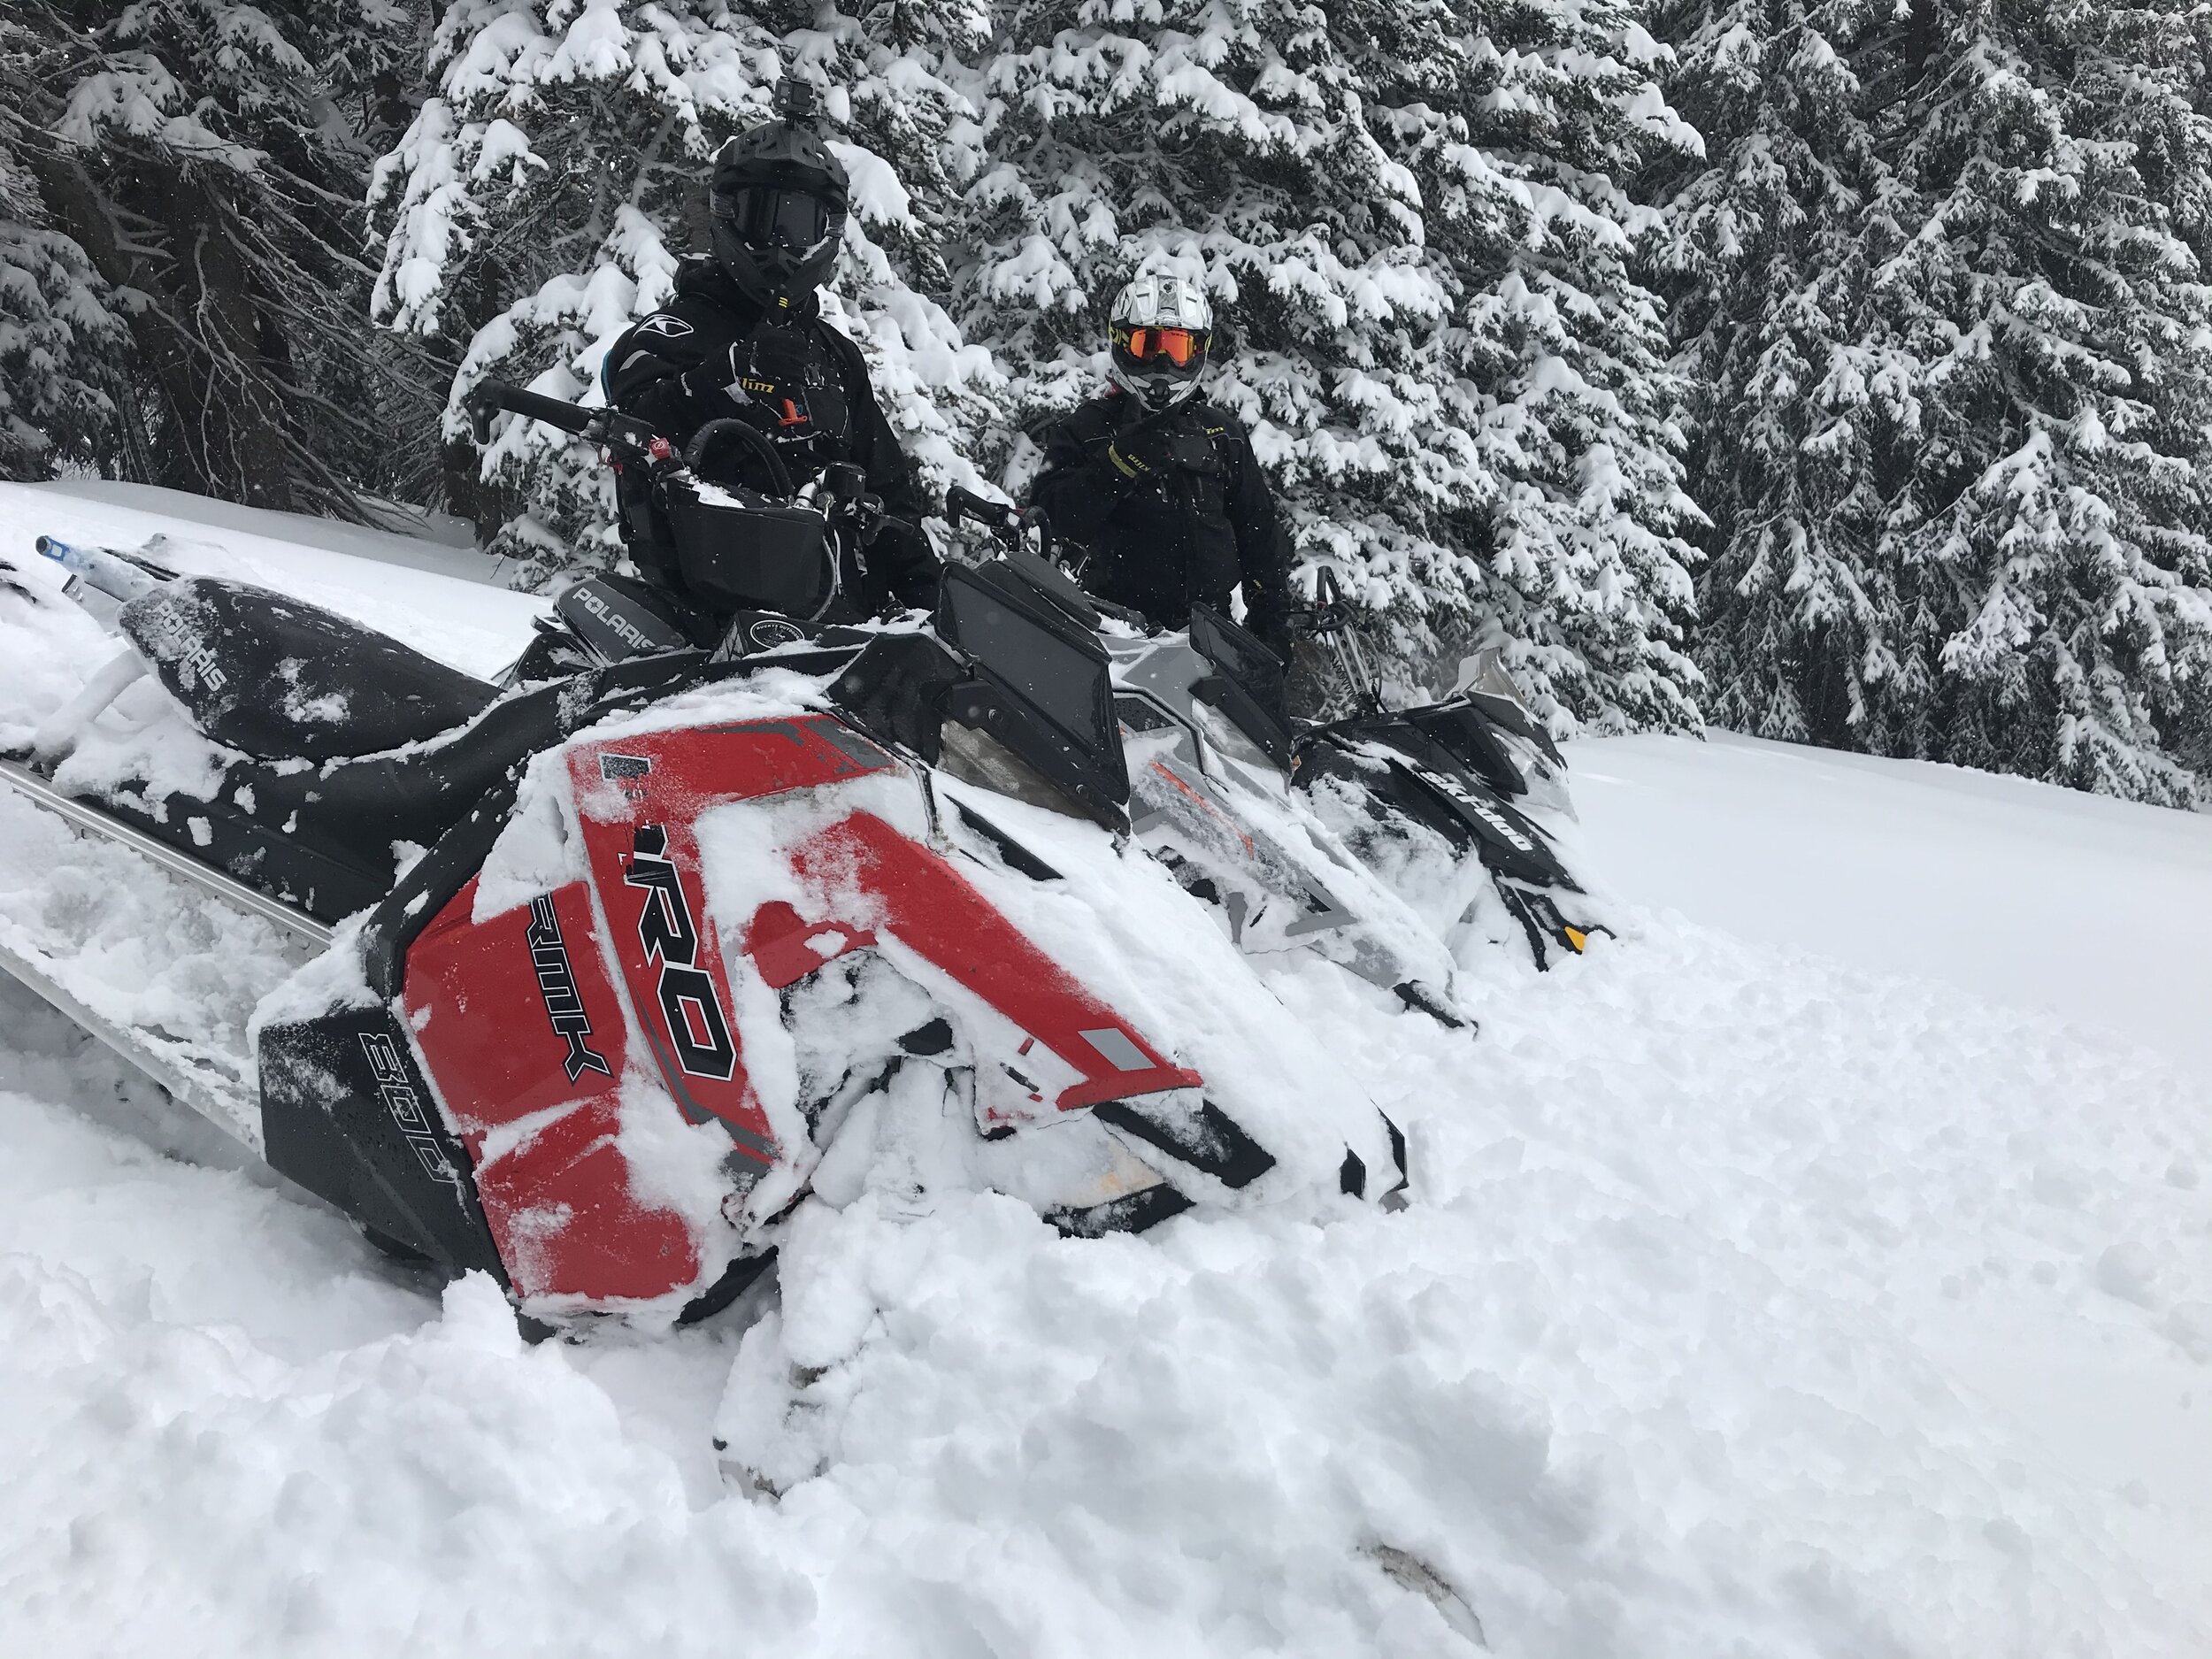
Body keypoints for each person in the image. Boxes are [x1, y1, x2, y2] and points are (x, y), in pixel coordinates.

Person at [596, 82, 937, 632]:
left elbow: (892, 494)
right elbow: (634, 419)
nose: (779, 246)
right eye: (763, 218)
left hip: (836, 636)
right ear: (729, 215)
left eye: (796, 224)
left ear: (826, 234)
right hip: (703, 622)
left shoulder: (835, 358)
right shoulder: (674, 331)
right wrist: (727, 375)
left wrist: (930, 597)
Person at [1027, 273, 1294, 655]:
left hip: (1208, 640)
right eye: (1147, 345)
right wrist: (1115, 467)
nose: (1163, 362)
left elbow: (1260, 536)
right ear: (1122, 343)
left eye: (1177, 348)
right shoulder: (1084, 430)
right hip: (1111, 636)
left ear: (1199, 351)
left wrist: (1271, 627)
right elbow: (1047, 524)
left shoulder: (1222, 434)